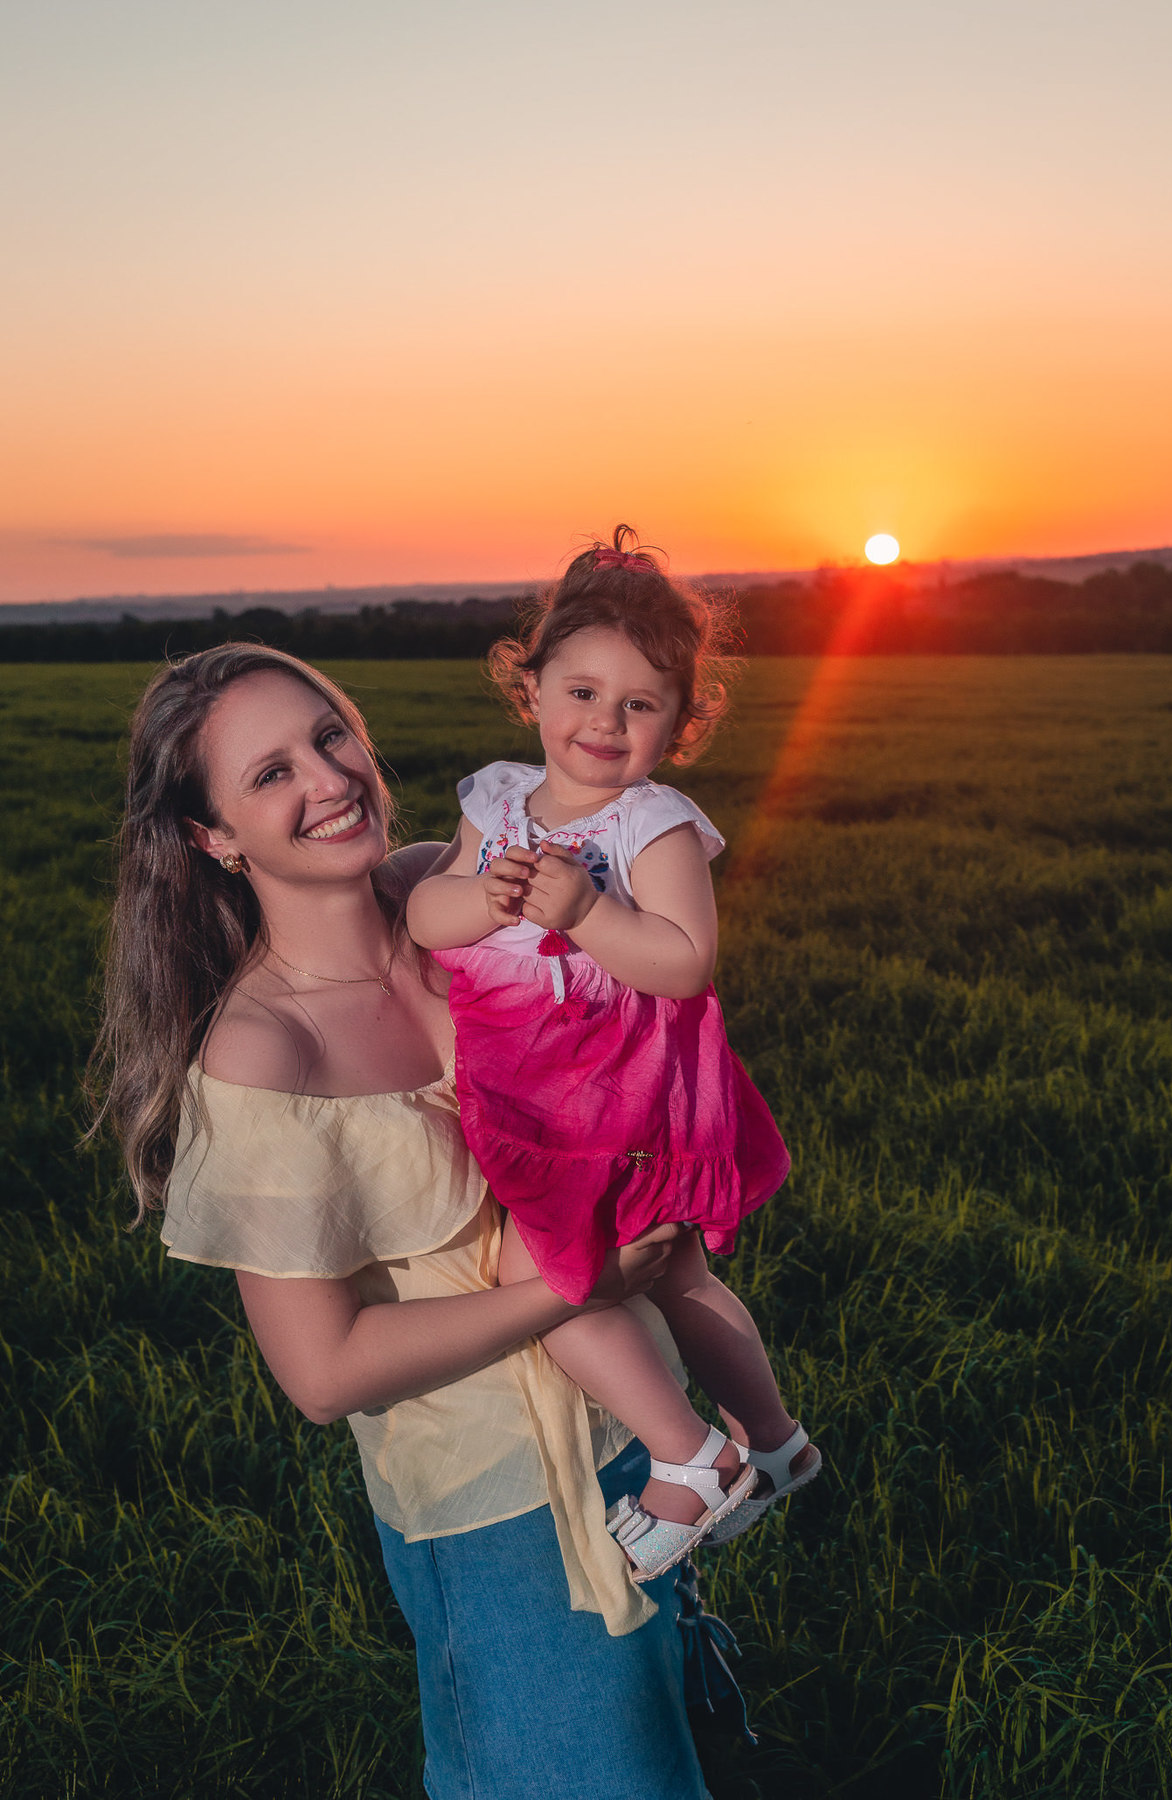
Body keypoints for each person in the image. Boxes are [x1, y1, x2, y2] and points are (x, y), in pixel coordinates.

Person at [90, 641, 726, 1800]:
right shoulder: (263, 1049)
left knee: (673, 1760)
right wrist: (577, 1284)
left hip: (639, 1436)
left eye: (330, 737)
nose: (326, 781)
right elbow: (323, 1374)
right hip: (496, 1514)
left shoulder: (457, 894)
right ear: (214, 837)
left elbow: (645, 1021)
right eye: (270, 773)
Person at [406, 527, 821, 1584]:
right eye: (582, 692)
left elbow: (685, 965)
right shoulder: (493, 803)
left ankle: (693, 1463)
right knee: (677, 1276)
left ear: (682, 722)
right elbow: (424, 911)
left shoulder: (655, 824)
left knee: (545, 1279)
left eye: (640, 705)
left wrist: (587, 908)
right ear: (531, 687)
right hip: (530, 1087)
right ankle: (774, 1440)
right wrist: (478, 894)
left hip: (618, 1097)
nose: (605, 723)